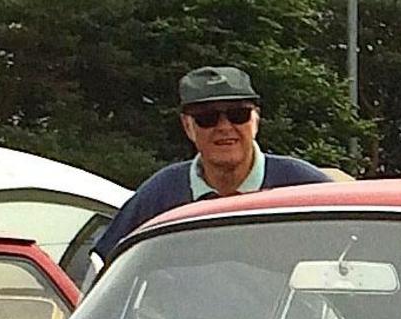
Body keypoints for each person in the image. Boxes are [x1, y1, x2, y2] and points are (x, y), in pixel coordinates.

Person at [79, 67, 348, 270]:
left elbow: (360, 253)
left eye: (237, 114)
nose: (224, 126)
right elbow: (102, 263)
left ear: (256, 119)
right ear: (188, 126)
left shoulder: (304, 188)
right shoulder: (161, 193)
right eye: (207, 118)